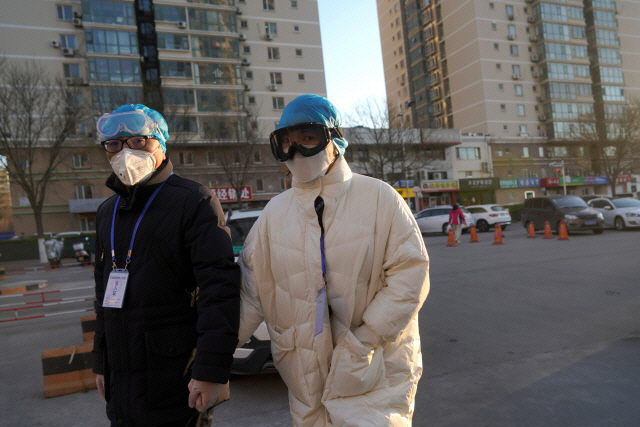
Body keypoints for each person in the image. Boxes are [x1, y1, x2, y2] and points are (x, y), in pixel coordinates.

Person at [237, 94, 430, 426]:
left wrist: (367, 338)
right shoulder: (274, 215)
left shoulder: (379, 198)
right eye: (287, 143)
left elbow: (410, 273)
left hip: (375, 369)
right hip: (304, 377)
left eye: (308, 139)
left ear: (335, 141)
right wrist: (208, 356)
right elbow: (251, 292)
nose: (296, 152)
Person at [91, 104, 241, 427]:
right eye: (114, 145)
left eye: (137, 142)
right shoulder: (107, 213)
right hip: (123, 388)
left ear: (160, 142)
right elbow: (103, 294)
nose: (124, 152)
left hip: (179, 385)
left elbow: (220, 291)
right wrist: (101, 362)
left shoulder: (194, 201)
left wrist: (211, 371)